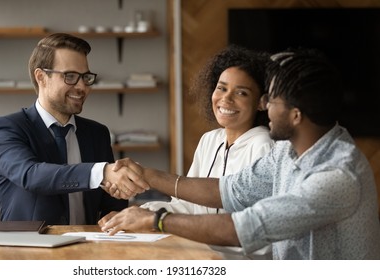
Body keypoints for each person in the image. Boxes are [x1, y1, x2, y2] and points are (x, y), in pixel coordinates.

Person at [100, 48, 380, 259]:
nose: (265, 106)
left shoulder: (336, 177)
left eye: (271, 99)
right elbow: (230, 190)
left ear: (295, 115)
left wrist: (157, 220)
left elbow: (244, 228)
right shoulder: (287, 150)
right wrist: (147, 174)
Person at [106, 45, 274, 259]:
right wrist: (134, 214)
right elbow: (189, 205)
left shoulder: (264, 145)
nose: (226, 99)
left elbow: (257, 231)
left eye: (241, 92)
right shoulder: (210, 140)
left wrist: (151, 213)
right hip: (201, 254)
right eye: (221, 88)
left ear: (261, 102)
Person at [0, 33, 148, 226]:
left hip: (86, 249)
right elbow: (31, 175)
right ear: (41, 77)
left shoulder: (98, 134)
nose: (82, 87)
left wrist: (115, 211)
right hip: (27, 251)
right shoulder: (8, 128)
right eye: (70, 76)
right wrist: (101, 172)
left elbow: (112, 206)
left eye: (85, 77)